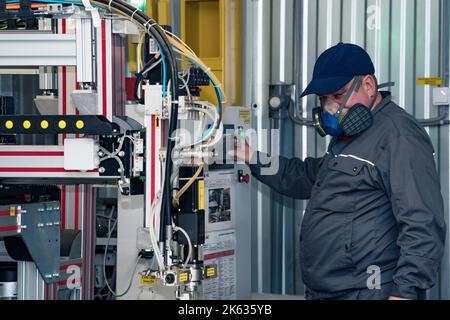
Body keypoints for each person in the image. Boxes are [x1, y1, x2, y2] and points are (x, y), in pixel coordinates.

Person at [235, 43, 447, 300]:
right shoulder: (350, 134)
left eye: (337, 95)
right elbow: (306, 176)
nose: (329, 108)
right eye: (324, 99)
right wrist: (251, 157)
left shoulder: (399, 136)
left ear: (368, 86)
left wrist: (404, 292)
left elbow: (422, 223)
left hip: (368, 291)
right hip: (329, 291)